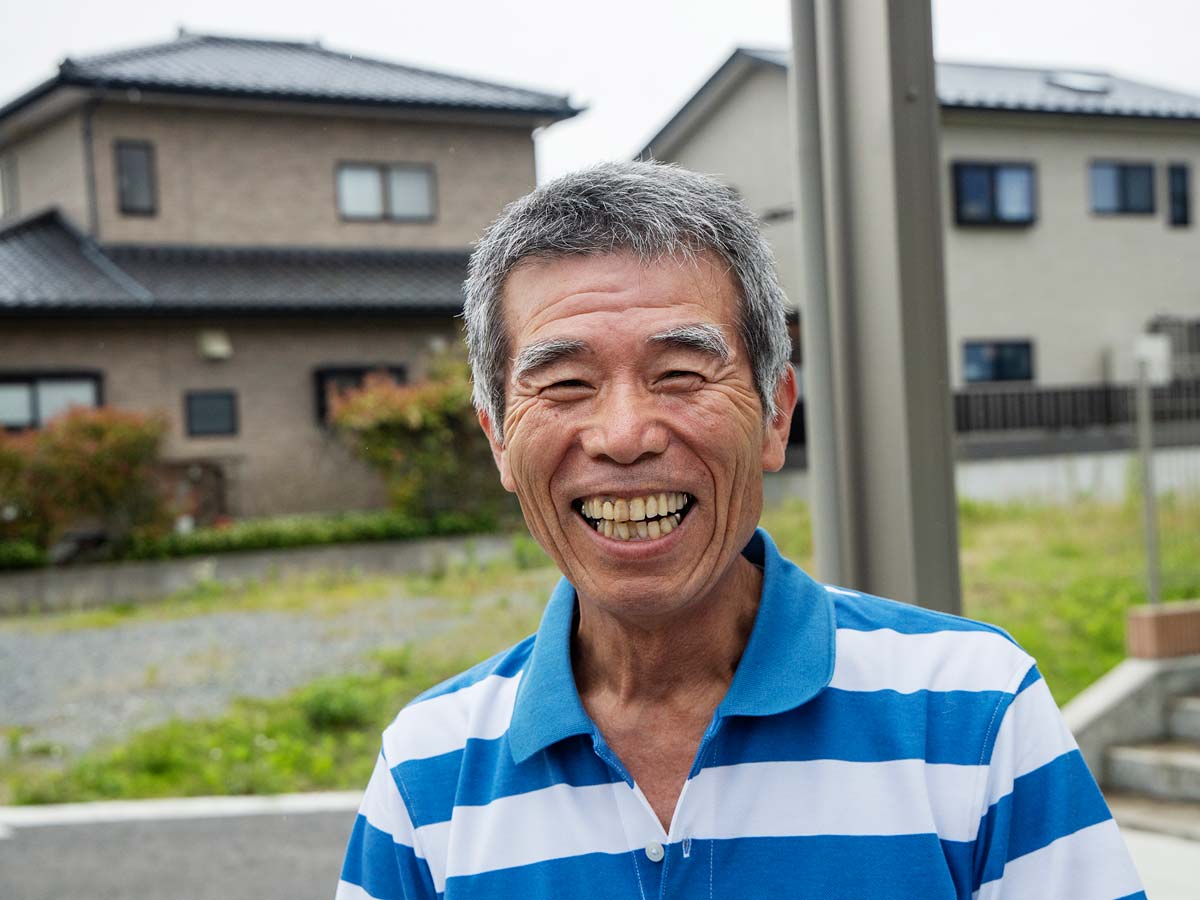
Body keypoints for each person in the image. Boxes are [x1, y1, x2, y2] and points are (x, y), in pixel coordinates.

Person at [336, 161, 1144, 900]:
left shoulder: (973, 712)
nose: (623, 434)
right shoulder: (426, 774)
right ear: (499, 439)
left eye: (681, 374)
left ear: (776, 414)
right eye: (566, 383)